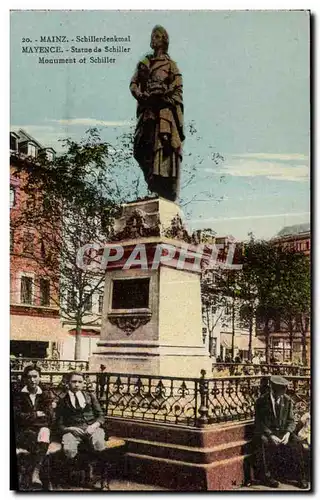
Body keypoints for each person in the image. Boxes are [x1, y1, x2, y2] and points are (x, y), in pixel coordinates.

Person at [130, 25, 185, 202]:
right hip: (147, 111)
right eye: (152, 36)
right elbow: (134, 83)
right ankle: (152, 185)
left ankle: (159, 188)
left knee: (160, 149)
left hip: (163, 114)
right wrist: (140, 94)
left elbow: (178, 89)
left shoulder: (170, 65)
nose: (152, 39)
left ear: (164, 40)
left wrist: (163, 96)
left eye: (156, 36)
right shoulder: (144, 63)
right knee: (141, 148)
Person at [254, 375, 308, 489]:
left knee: (297, 443)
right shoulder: (261, 401)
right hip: (269, 433)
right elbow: (259, 423)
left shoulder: (287, 400)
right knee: (262, 441)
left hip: (284, 433)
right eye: (281, 389)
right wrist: (270, 435)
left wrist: (288, 433)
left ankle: (301, 478)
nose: (284, 392)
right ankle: (266, 477)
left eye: (285, 389)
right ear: (273, 389)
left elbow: (291, 421)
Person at [13, 364, 53, 489]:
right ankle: (40, 477)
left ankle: (34, 473)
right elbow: (16, 416)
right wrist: (36, 414)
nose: (32, 380)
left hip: (40, 430)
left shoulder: (44, 393)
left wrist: (29, 418)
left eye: (35, 376)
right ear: (24, 379)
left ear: (40, 378)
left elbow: (50, 416)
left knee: (45, 431)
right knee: (39, 441)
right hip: (22, 431)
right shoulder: (18, 394)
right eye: (29, 377)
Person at [56, 372, 105, 464]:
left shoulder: (90, 396)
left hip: (92, 428)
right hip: (73, 431)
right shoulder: (62, 400)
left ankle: (93, 470)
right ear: (68, 383)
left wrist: (94, 426)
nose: (77, 385)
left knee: (99, 443)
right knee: (69, 450)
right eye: (74, 382)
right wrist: (69, 429)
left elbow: (101, 416)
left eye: (80, 382)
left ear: (83, 383)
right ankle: (75, 472)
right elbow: (59, 424)